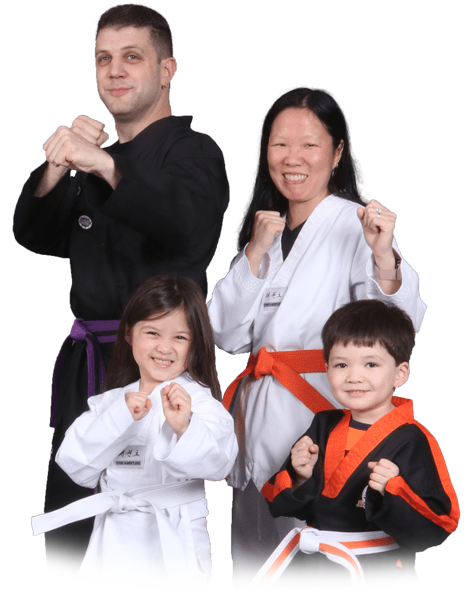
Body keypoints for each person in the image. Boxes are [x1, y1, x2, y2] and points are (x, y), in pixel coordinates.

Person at [13, 3, 229, 580]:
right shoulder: (94, 163)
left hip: (155, 363)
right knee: (70, 524)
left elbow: (184, 225)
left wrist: (105, 167)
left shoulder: (196, 153)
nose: (114, 71)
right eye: (103, 59)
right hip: (87, 361)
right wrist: (58, 167)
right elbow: (33, 234)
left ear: (167, 69)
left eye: (132, 57)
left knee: (149, 524)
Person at [207, 86, 427, 589]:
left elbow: (398, 328)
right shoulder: (266, 231)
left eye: (309, 145)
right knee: (258, 566)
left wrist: (385, 257)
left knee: (325, 564)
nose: (292, 159)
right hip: (258, 422)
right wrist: (255, 256)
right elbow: (224, 332)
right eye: (279, 145)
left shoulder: (355, 226)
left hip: (321, 420)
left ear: (338, 152)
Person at [32, 275, 238, 589]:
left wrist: (185, 428)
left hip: (173, 542)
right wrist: (119, 418)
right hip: (113, 542)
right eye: (152, 332)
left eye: (180, 338)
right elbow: (74, 463)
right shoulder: (112, 402)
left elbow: (221, 464)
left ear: (195, 344)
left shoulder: (199, 402)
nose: (164, 347)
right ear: (129, 334)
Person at [254, 300, 459, 590]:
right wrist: (300, 476)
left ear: (400, 374)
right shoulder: (323, 424)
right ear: (326, 369)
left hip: (373, 571)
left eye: (371, 364)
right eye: (341, 365)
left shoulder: (412, 438)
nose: (353, 376)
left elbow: (441, 523)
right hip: (314, 567)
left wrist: (395, 489)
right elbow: (285, 503)